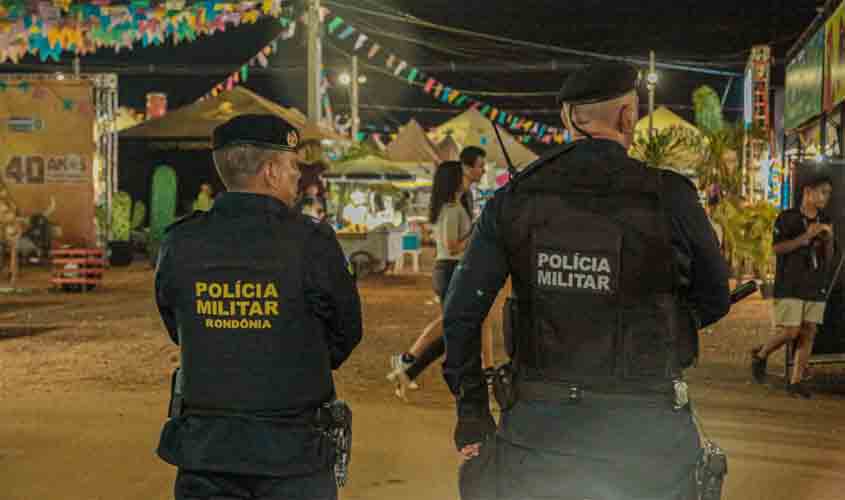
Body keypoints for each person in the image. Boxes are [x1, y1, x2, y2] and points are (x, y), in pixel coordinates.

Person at [442, 62, 730, 500]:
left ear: (566, 118)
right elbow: (714, 298)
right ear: (627, 116)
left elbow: (462, 312)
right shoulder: (669, 195)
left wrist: (472, 412)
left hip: (537, 437)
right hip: (647, 441)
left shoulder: (515, 198)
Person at [154, 114, 362, 500]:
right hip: (293, 456)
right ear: (270, 171)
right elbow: (346, 332)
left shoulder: (180, 242)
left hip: (207, 454)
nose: (297, 176)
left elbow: (176, 324)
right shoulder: (311, 242)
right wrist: (293, 355)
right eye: (292, 166)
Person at [387, 148, 490, 399]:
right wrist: (476, 232)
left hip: (452, 269)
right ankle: (408, 361)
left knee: (454, 329)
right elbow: (452, 245)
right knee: (454, 325)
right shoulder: (451, 209)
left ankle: (408, 370)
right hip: (450, 269)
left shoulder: (457, 206)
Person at [751, 175, 834, 398]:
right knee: (790, 330)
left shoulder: (825, 219)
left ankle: (796, 381)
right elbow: (777, 248)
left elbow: (829, 257)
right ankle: (761, 354)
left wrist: (828, 240)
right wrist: (806, 236)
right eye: (823, 192)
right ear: (808, 191)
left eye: (829, 193)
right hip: (790, 283)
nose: (826, 197)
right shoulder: (787, 218)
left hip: (815, 284)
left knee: (809, 331)